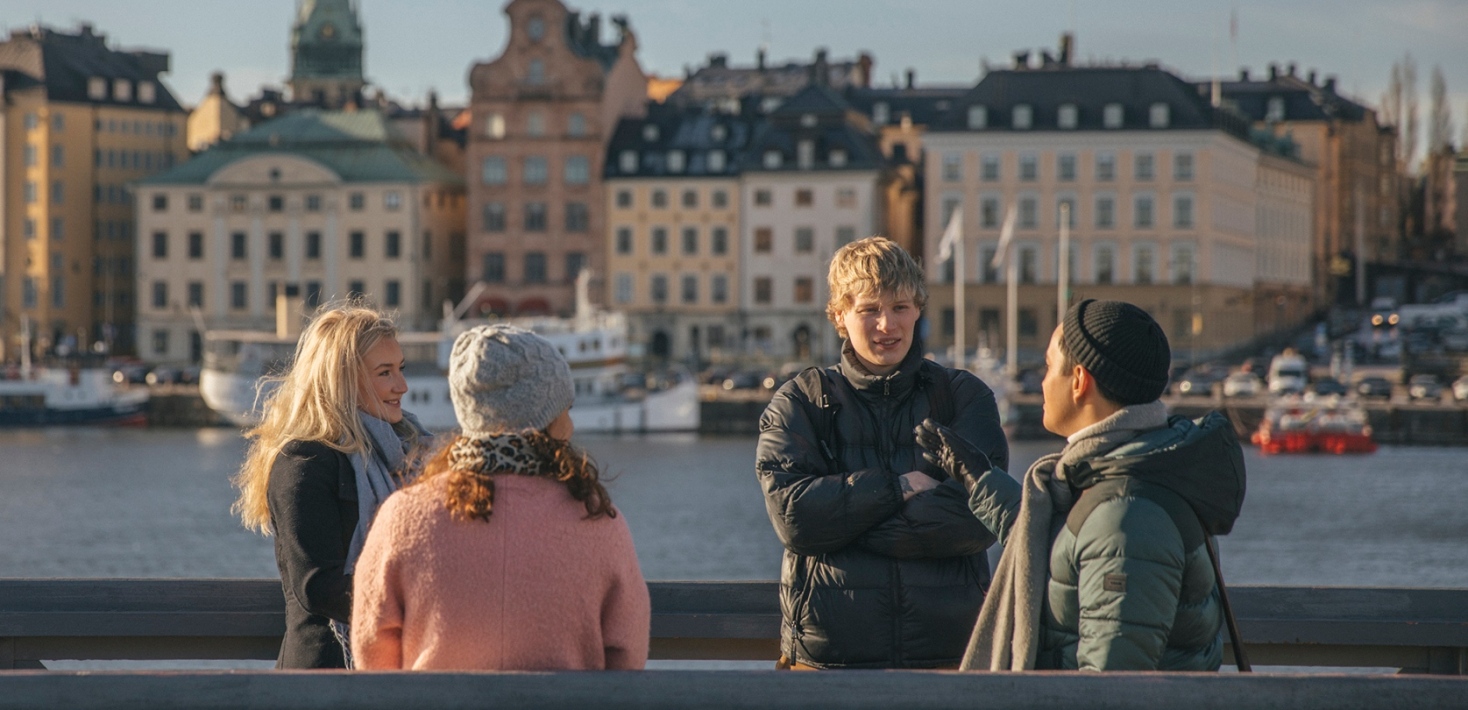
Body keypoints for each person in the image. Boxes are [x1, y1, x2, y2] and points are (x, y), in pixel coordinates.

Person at [917, 299, 1246, 671]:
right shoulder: (1130, 469)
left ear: (1078, 381)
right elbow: (1063, 544)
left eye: (1047, 367)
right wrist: (979, 478)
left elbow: (1110, 686)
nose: (1041, 381)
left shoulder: (1126, 518)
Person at [755, 237, 1010, 669]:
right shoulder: (800, 401)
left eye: (901, 307)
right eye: (870, 309)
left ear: (918, 308)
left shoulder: (964, 396)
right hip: (827, 664)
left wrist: (844, 529)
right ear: (840, 315)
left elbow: (980, 519)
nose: (887, 325)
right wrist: (898, 487)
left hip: (952, 658)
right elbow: (795, 518)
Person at [350, 324, 650, 671]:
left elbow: (373, 651)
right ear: (546, 420)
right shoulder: (598, 520)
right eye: (564, 408)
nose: (569, 424)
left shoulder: (401, 518)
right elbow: (626, 655)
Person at [232, 303, 429, 669]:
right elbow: (319, 586)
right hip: (326, 673)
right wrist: (425, 603)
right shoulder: (303, 462)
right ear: (340, 380)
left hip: (395, 669)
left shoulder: (410, 452)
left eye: (400, 369)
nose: (401, 386)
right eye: (384, 373)